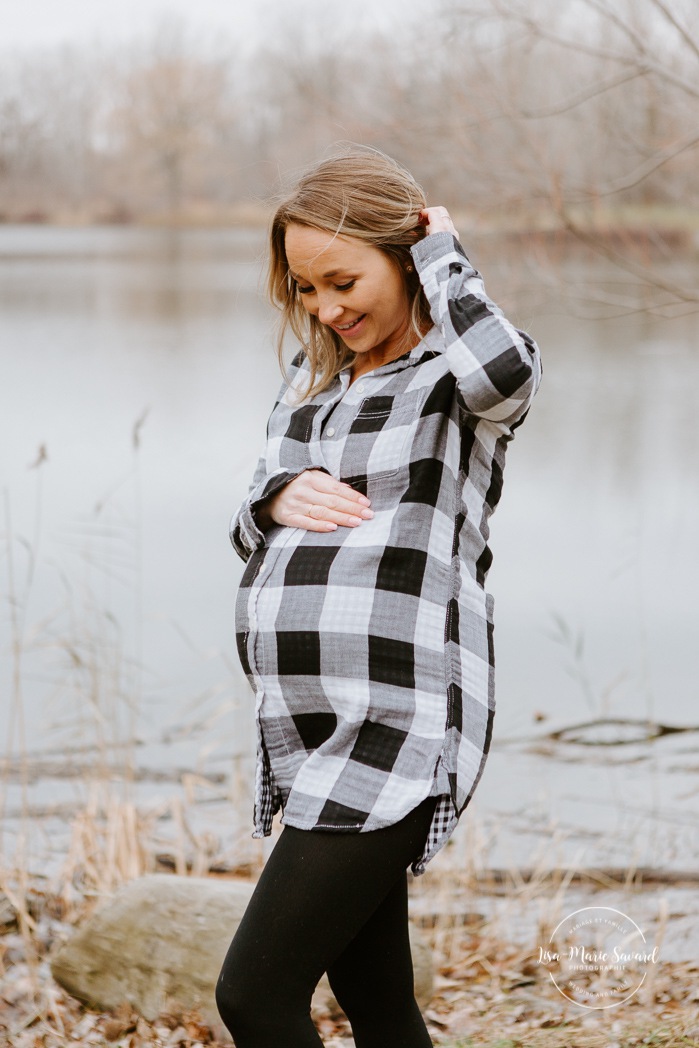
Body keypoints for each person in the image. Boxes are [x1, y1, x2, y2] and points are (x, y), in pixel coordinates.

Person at [216, 146, 542, 1047]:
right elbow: (251, 516)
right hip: (308, 723)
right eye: (304, 289)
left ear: (402, 256)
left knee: (254, 997)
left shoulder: (454, 382)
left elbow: (507, 374)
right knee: (378, 1002)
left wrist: (444, 252)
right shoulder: (311, 384)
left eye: (342, 279)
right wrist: (273, 498)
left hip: (394, 724)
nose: (325, 308)